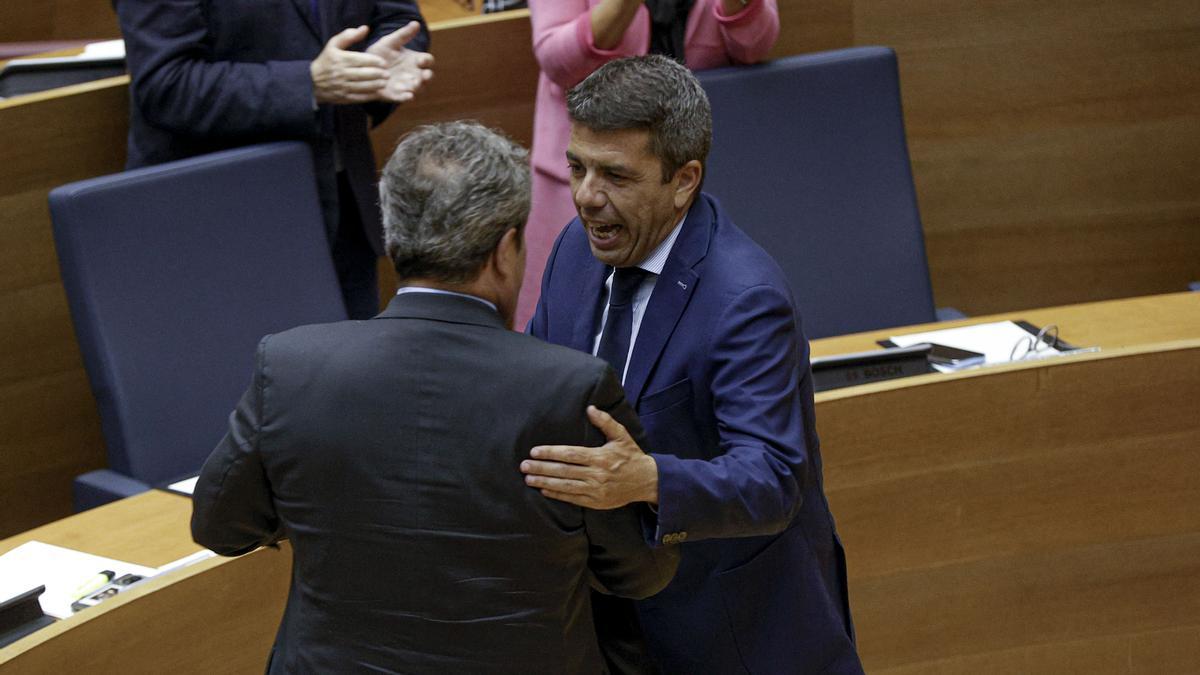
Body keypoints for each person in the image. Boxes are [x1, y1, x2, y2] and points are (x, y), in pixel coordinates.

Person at [191, 121, 679, 673]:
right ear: (505, 251)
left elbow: (220, 528)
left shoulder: (289, 367)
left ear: (394, 237)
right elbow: (642, 573)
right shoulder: (572, 391)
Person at [522, 56, 864, 673]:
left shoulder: (744, 297)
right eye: (577, 167)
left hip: (730, 629)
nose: (585, 197)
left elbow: (773, 476)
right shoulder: (575, 249)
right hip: (606, 627)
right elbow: (536, 384)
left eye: (616, 176)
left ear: (683, 180)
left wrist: (647, 479)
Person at [114, 0, 434, 319]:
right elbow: (166, 83)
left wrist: (378, 66)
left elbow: (399, 18)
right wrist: (306, 85)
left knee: (355, 364)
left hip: (343, 205)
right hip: (219, 221)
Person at [515, 0, 780, 328]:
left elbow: (754, 44)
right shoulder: (583, 202)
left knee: (693, 329)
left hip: (694, 163)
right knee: (569, 325)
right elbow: (559, 59)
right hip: (593, 166)